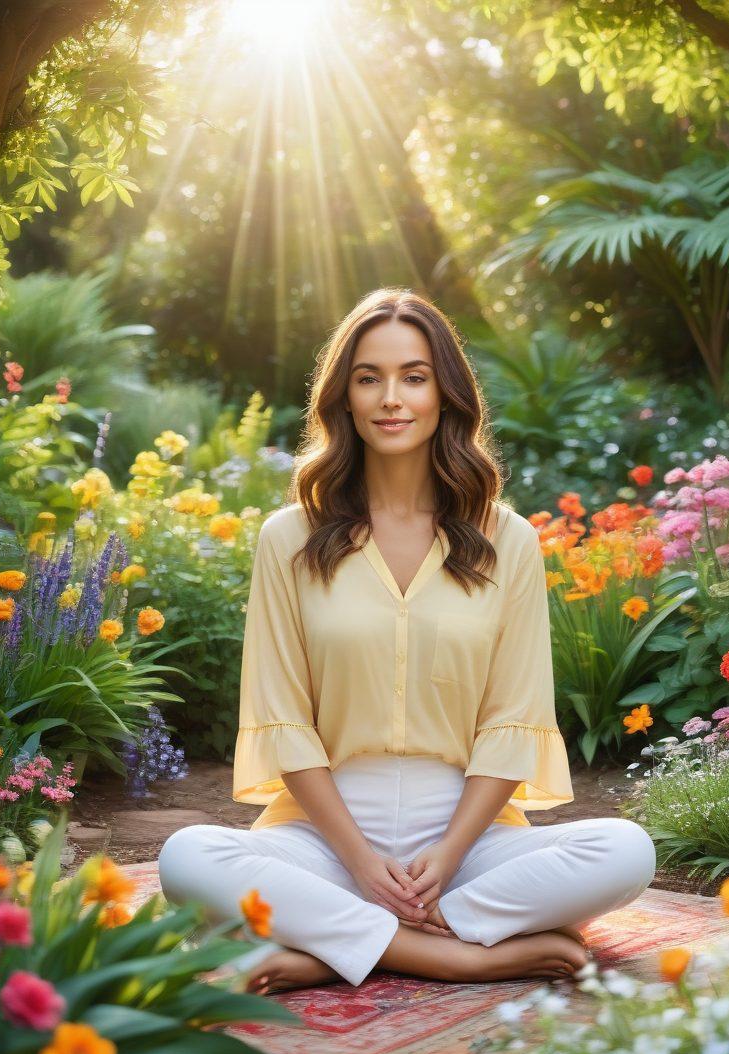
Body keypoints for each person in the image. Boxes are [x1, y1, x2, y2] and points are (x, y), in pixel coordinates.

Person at [157, 287, 657, 994]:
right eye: (369, 378)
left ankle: (326, 947)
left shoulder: (506, 539)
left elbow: (512, 722)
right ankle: (454, 952)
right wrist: (361, 862)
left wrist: (449, 856)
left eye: (414, 377)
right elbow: (285, 720)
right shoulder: (288, 537)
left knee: (625, 851)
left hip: (469, 835)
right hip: (325, 835)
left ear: (445, 394)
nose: (392, 398)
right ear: (345, 398)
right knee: (187, 857)